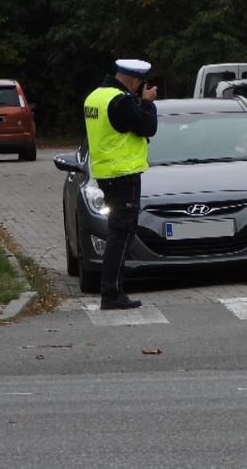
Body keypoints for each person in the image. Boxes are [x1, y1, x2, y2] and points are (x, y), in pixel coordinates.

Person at [83, 59, 158, 310]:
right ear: (134, 80)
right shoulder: (120, 101)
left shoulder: (95, 97)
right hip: (124, 175)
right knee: (122, 233)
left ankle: (111, 290)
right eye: (139, 85)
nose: (139, 90)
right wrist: (147, 102)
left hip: (106, 173)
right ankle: (112, 292)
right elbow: (148, 126)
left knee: (117, 231)